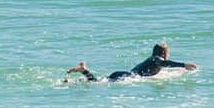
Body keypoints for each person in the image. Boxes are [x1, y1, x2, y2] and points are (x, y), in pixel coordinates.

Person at [66, 41, 198, 82]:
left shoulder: (153, 59)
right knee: (96, 84)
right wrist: (184, 65)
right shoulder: (157, 59)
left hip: (124, 74)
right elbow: (164, 64)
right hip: (127, 77)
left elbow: (165, 66)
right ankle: (83, 72)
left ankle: (83, 72)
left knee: (97, 82)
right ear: (164, 53)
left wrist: (180, 70)